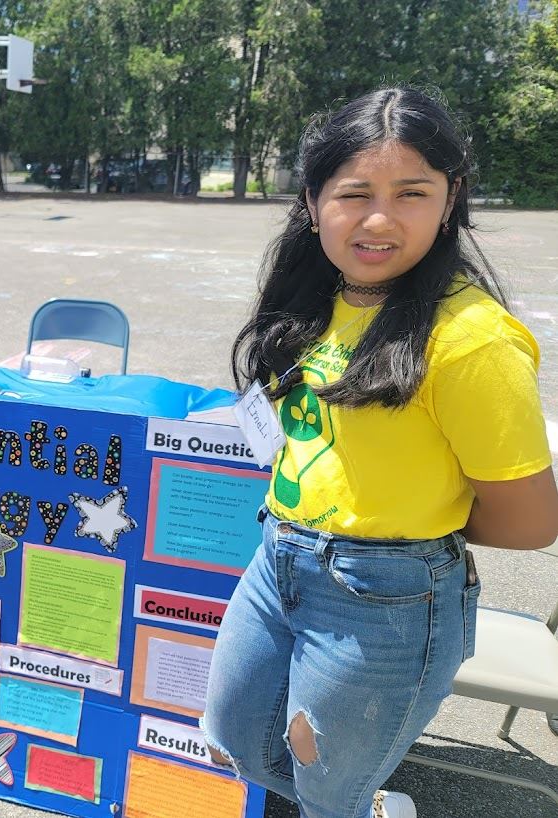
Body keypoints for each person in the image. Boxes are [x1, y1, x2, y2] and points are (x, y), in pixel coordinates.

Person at [202, 87, 558, 818]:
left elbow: (529, 523)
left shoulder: (470, 343)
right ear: (312, 199)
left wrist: (401, 525)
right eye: (354, 192)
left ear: (451, 198)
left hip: (386, 598)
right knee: (237, 741)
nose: (377, 219)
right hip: (278, 561)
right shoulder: (313, 297)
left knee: (328, 792)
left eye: (412, 193)